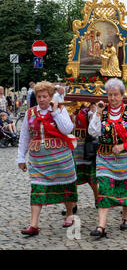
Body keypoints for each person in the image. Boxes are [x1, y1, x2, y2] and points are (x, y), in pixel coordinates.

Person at [16, 81, 78, 236]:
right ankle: (34, 224)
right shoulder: (30, 113)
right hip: (39, 161)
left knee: (66, 187)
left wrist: (56, 111)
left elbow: (67, 129)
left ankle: (69, 214)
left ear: (51, 97)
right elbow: (24, 136)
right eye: (39, 96)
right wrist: (20, 158)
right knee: (37, 189)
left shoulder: (60, 110)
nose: (42, 99)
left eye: (45, 96)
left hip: (61, 159)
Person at [88, 78, 127, 238]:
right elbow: (93, 132)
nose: (112, 98)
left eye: (116, 95)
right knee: (104, 188)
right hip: (105, 158)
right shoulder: (103, 111)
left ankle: (125, 216)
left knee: (125, 186)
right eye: (109, 95)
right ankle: (101, 226)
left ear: (122, 95)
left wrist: (123, 146)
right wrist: (98, 113)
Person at [62, 104, 99, 216]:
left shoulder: (89, 111)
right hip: (73, 148)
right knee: (72, 179)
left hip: (87, 149)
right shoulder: (67, 110)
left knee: (91, 178)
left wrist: (94, 111)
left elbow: (95, 126)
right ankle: (73, 203)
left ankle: (98, 198)